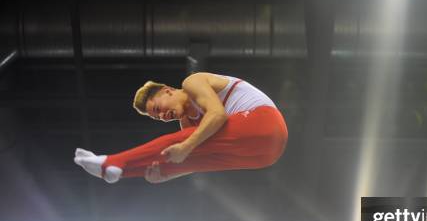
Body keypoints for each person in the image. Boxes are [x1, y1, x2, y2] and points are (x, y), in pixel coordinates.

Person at [74, 72, 288, 183]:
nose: (162, 116)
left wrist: (186, 145)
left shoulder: (192, 82)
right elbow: (194, 163)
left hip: (265, 123)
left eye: (158, 108)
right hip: (264, 156)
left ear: (167, 90)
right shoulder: (187, 123)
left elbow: (218, 115)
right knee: (184, 159)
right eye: (157, 118)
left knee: (182, 144)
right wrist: (165, 176)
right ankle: (119, 172)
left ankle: (113, 162)